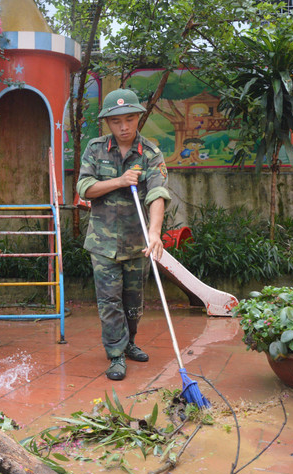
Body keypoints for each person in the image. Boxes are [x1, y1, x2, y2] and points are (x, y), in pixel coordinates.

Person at [76, 89, 170, 381]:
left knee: (133, 302)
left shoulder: (151, 153)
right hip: (103, 244)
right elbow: (84, 188)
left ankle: (129, 342)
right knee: (109, 302)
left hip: (137, 241)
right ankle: (115, 354)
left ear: (138, 118)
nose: (124, 127)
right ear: (108, 123)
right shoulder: (95, 148)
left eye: (130, 119)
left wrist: (155, 234)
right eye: (117, 122)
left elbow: (157, 193)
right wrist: (118, 181)